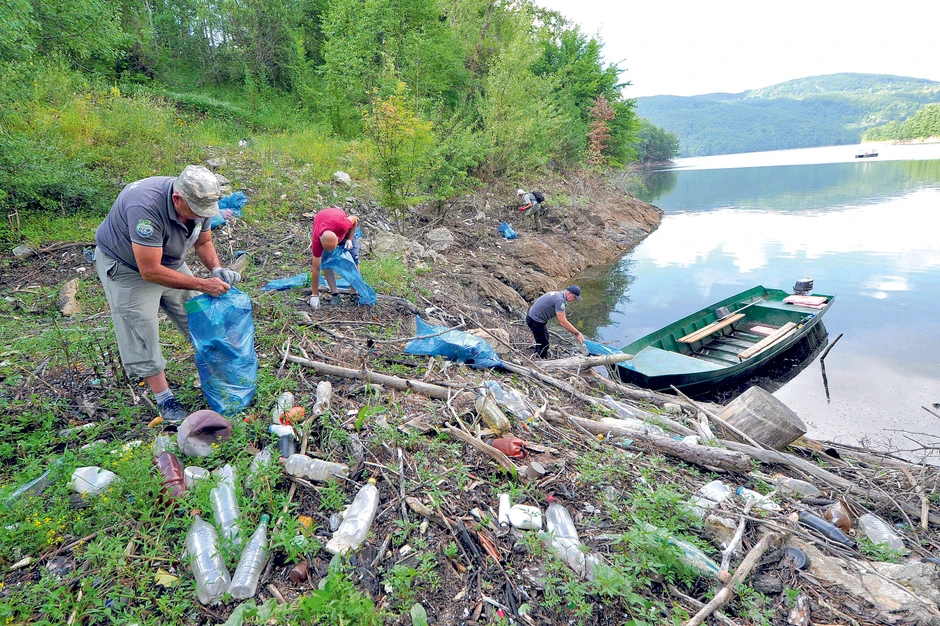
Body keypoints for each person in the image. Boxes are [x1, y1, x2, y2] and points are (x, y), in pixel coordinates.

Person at [94, 165, 241, 422]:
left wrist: (216, 270)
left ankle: (216, 377)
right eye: (196, 212)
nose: (200, 216)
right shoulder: (145, 208)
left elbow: (204, 242)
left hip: (169, 261)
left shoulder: (199, 203)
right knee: (142, 330)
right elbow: (150, 271)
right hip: (128, 268)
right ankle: (165, 399)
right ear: (177, 199)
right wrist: (201, 284)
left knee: (199, 318)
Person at [309, 207, 360, 310]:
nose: (330, 252)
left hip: (339, 225)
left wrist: (349, 239)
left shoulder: (343, 225)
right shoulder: (317, 241)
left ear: (338, 239)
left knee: (354, 261)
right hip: (323, 222)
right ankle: (335, 293)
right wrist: (314, 295)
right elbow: (316, 268)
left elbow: (355, 219)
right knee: (325, 262)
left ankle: (354, 292)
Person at [526, 286, 585, 358]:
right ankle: (539, 361)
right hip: (535, 320)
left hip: (534, 318)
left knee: (544, 338)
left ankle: (537, 353)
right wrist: (577, 333)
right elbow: (563, 322)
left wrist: (572, 331)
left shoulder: (559, 295)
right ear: (569, 293)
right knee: (544, 345)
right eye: (574, 297)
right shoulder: (560, 301)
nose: (574, 300)